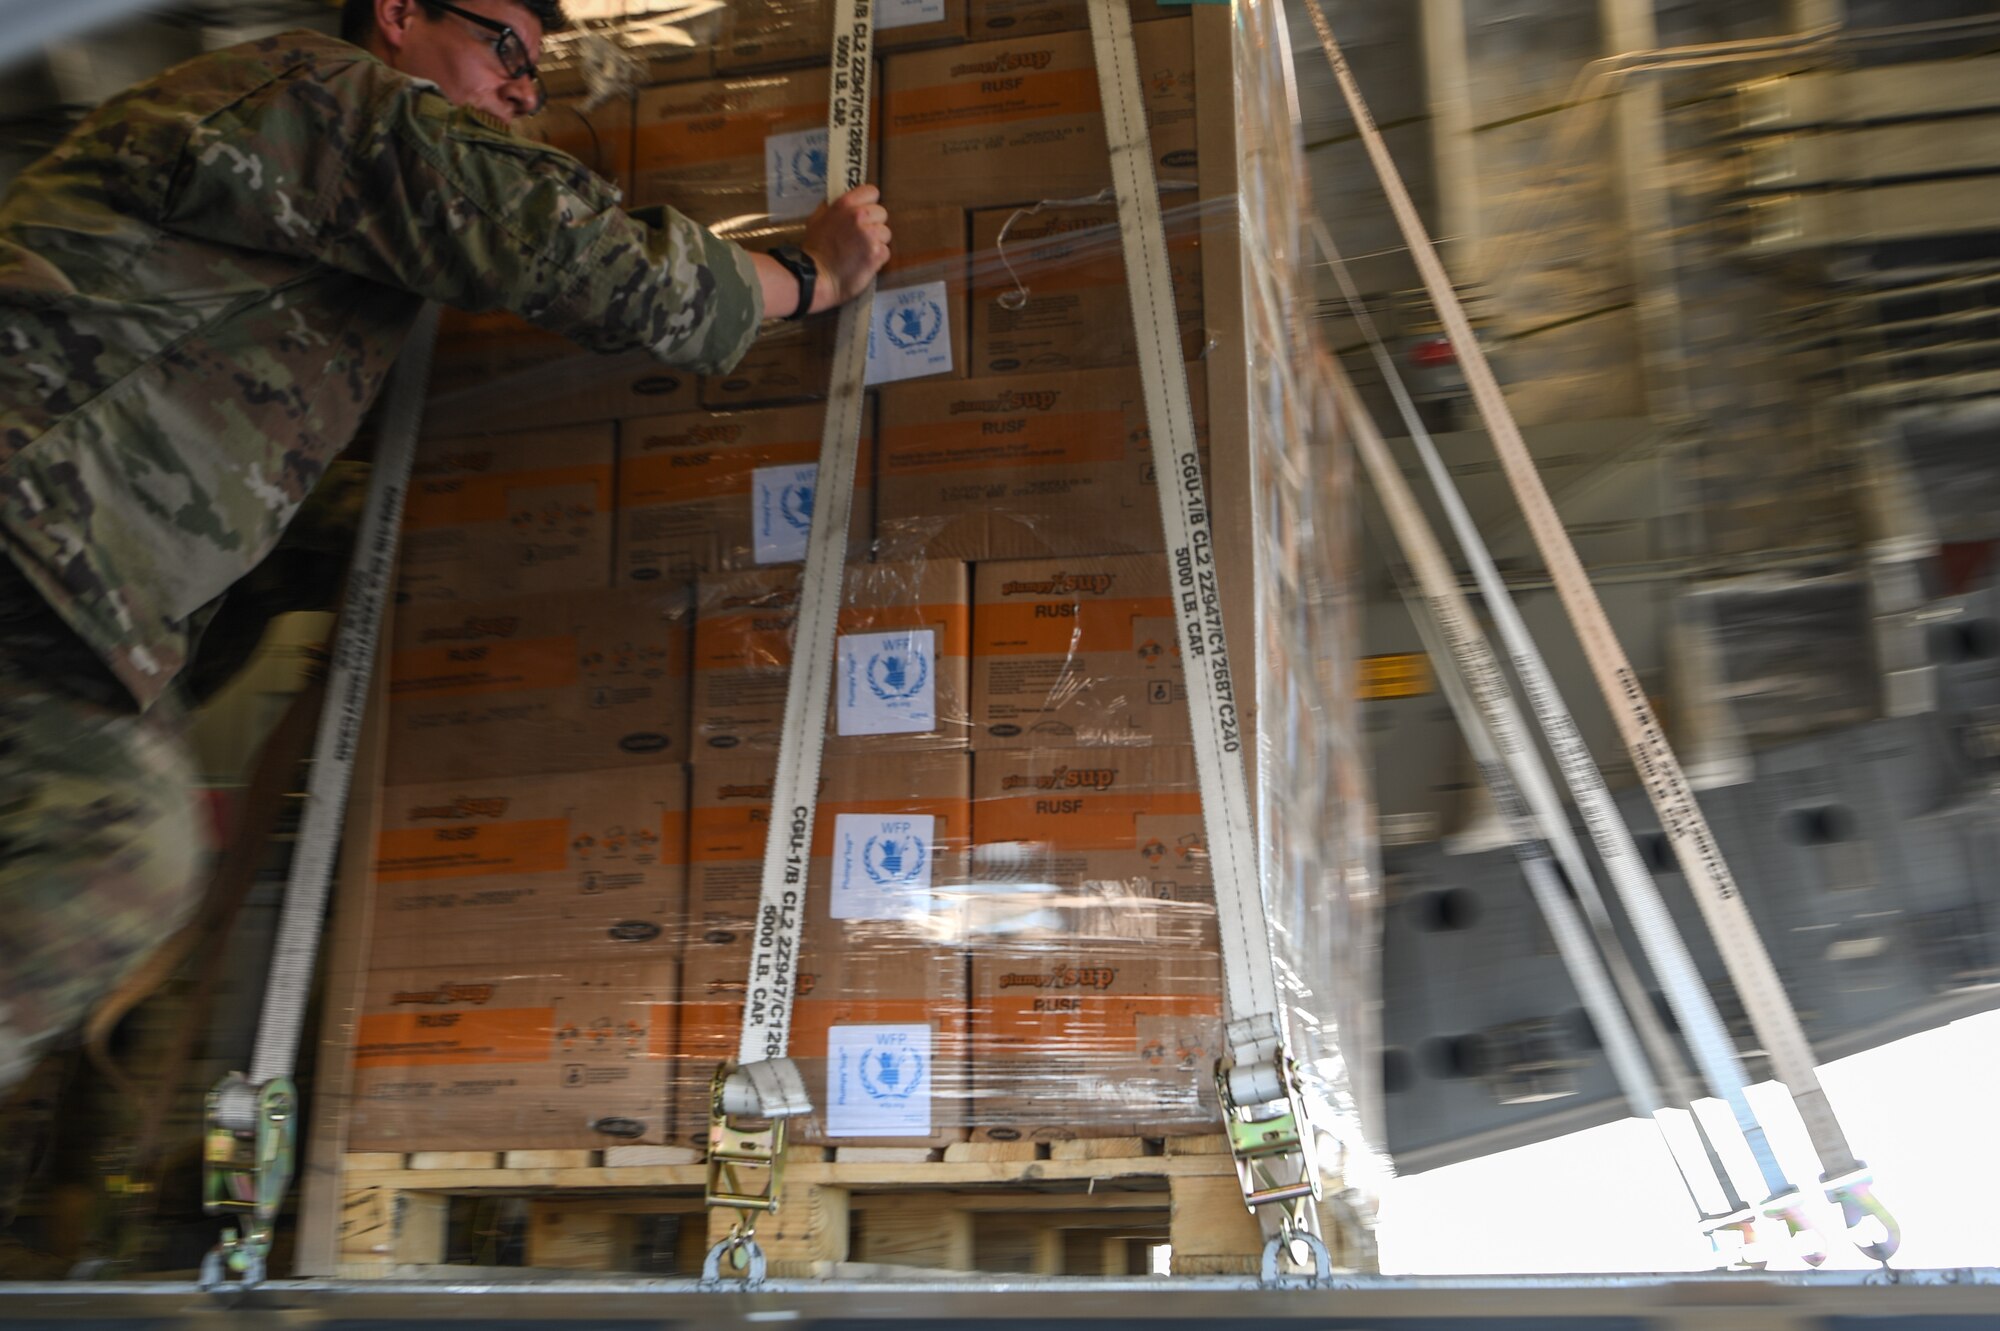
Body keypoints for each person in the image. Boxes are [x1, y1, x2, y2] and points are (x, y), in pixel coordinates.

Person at [0, 0, 892, 1109]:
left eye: (535, 73)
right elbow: (572, 250)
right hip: (31, 534)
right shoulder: (326, 94)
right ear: (397, 13)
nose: (524, 90)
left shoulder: (303, 221)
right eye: (507, 47)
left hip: (56, 558)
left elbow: (252, 477)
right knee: (119, 849)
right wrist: (810, 275)